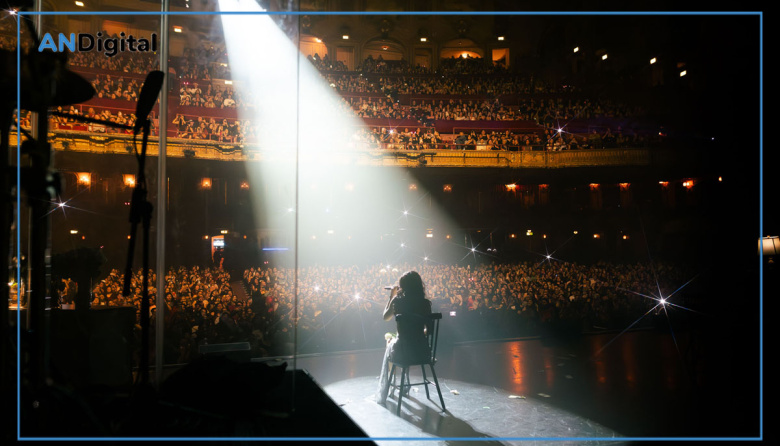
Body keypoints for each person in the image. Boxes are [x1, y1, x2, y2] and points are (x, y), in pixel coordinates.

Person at [375, 270, 432, 405]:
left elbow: (385, 317)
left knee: (390, 342)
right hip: (422, 351)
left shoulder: (398, 301)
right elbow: (429, 331)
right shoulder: (425, 303)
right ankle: (405, 382)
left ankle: (394, 382)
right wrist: (418, 333)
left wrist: (391, 296)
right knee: (398, 342)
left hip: (403, 352)